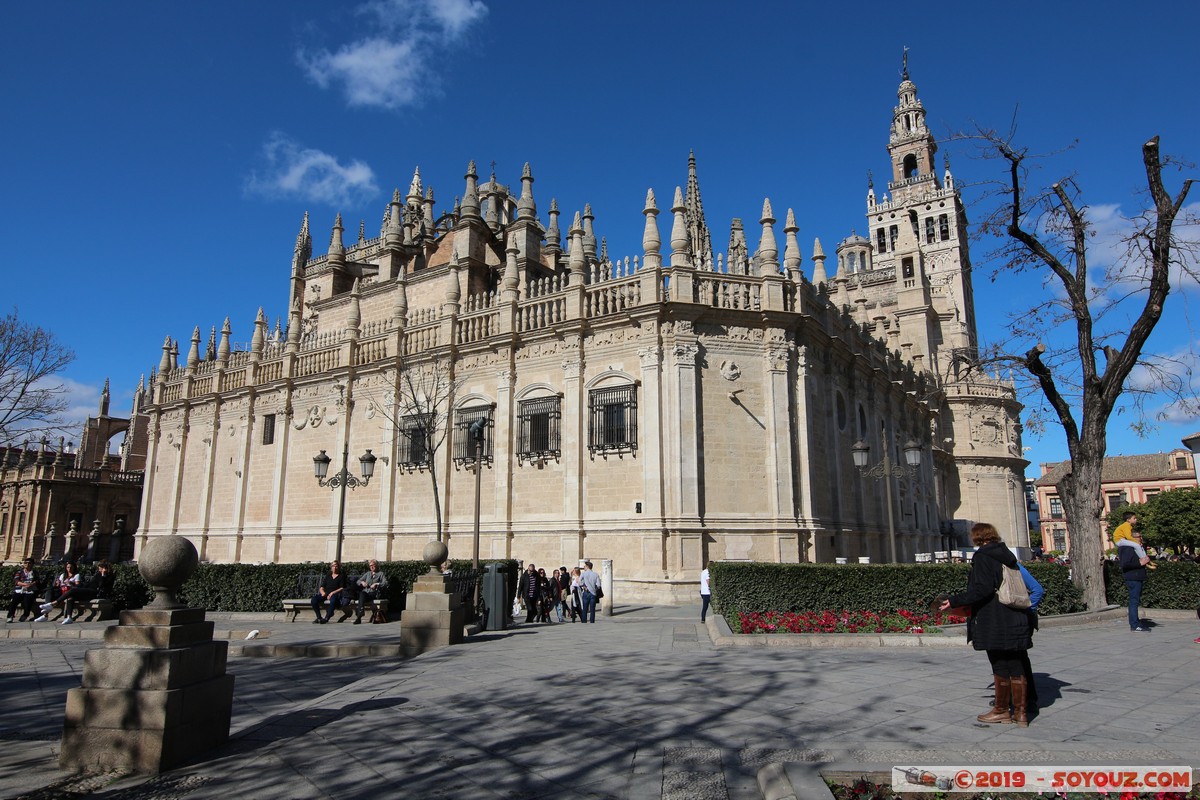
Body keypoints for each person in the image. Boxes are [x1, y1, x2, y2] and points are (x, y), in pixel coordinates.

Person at [939, 523, 1033, 726]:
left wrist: (954, 601)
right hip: (1016, 616)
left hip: (995, 618)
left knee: (999, 664)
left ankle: (1001, 711)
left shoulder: (983, 556)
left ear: (977, 538)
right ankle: (1022, 713)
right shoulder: (1007, 555)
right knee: (1016, 665)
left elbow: (981, 589)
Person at [1016, 562, 1044, 723]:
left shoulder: (1016, 567)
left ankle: (1028, 700)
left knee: (1019, 662)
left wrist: (1026, 609)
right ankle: (1018, 699)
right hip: (1017, 621)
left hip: (1021, 622)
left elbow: (1037, 590)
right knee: (1017, 661)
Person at [1118, 530, 1151, 632]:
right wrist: (1140, 563)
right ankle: (1134, 624)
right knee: (1133, 601)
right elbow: (1125, 564)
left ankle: (1136, 622)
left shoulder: (1135, 548)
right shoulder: (1128, 548)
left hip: (1137, 577)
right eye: (1139, 537)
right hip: (1133, 577)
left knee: (1135, 601)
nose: (1141, 539)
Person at [354, 559, 389, 624]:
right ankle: (359, 615)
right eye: (370, 566)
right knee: (362, 594)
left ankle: (359, 616)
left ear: (376, 565)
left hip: (374, 593)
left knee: (362, 596)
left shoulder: (380, 574)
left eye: (373, 565)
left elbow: (385, 583)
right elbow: (358, 581)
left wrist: (377, 584)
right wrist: (362, 582)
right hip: (366, 593)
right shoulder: (367, 574)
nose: (372, 567)